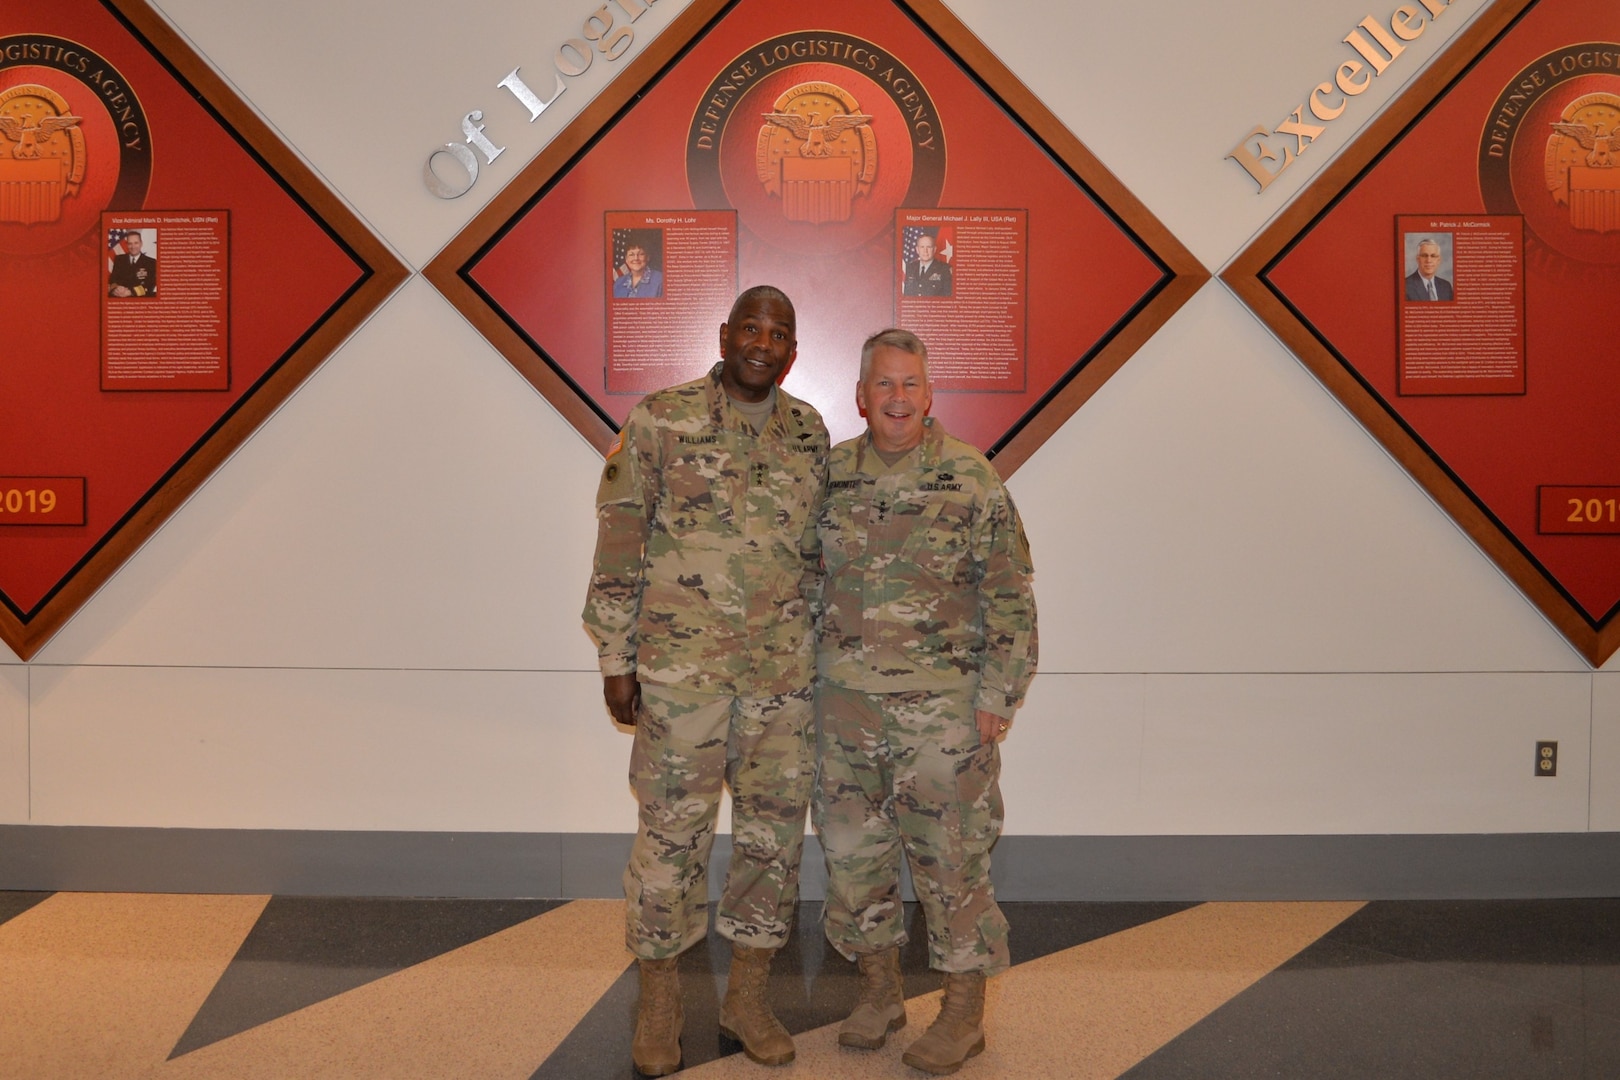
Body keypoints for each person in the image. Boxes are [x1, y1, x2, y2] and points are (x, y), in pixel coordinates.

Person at [583, 285, 829, 1077]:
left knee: (770, 841)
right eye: (750, 327)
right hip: (681, 678)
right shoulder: (662, 419)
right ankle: (660, 1001)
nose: (762, 342)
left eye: (778, 332)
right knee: (670, 840)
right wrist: (616, 660)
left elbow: (817, 560)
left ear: (793, 349)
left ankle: (747, 997)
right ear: (724, 335)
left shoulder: (808, 432)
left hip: (779, 683)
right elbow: (620, 543)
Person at [813, 328, 1036, 1076]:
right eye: (884, 385)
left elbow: (1010, 597)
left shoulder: (971, 479)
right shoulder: (831, 477)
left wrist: (998, 696)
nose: (897, 399)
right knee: (853, 858)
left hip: (943, 713)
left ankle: (964, 1012)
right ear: (861, 395)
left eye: (910, 384)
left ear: (929, 393)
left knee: (952, 862)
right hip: (843, 707)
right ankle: (879, 992)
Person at [108, 231, 157, 297]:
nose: (133, 247)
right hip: (119, 298)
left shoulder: (151, 262)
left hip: (139, 299)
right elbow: (113, 280)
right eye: (130, 243)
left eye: (136, 243)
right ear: (127, 245)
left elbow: (150, 285)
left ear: (141, 243)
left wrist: (131, 292)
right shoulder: (119, 259)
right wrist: (116, 289)